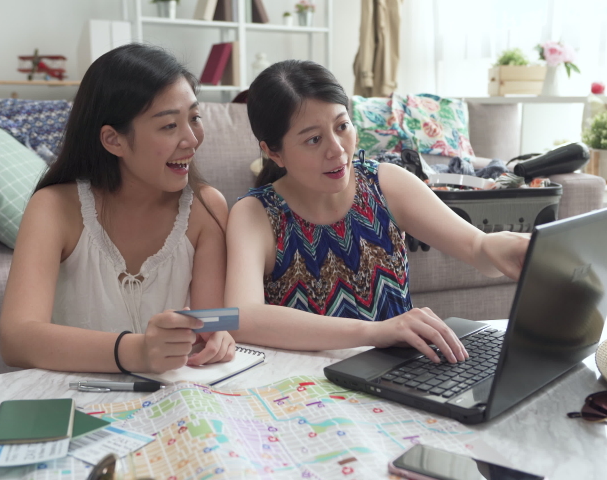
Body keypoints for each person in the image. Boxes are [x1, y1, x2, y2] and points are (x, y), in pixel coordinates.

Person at [226, 60, 529, 364]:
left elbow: (476, 248)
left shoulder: (384, 182)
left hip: (399, 379)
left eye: (342, 126)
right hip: (304, 387)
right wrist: (374, 332)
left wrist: (500, 246)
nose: (337, 149)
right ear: (273, 152)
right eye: (314, 139)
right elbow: (242, 317)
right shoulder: (254, 215)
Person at [0, 44, 235, 374]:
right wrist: (136, 351)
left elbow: (210, 323)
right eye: (169, 126)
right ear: (113, 140)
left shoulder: (206, 208)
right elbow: (16, 339)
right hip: (74, 399)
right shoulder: (54, 208)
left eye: (194, 118)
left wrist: (217, 336)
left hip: (169, 398)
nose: (192, 139)